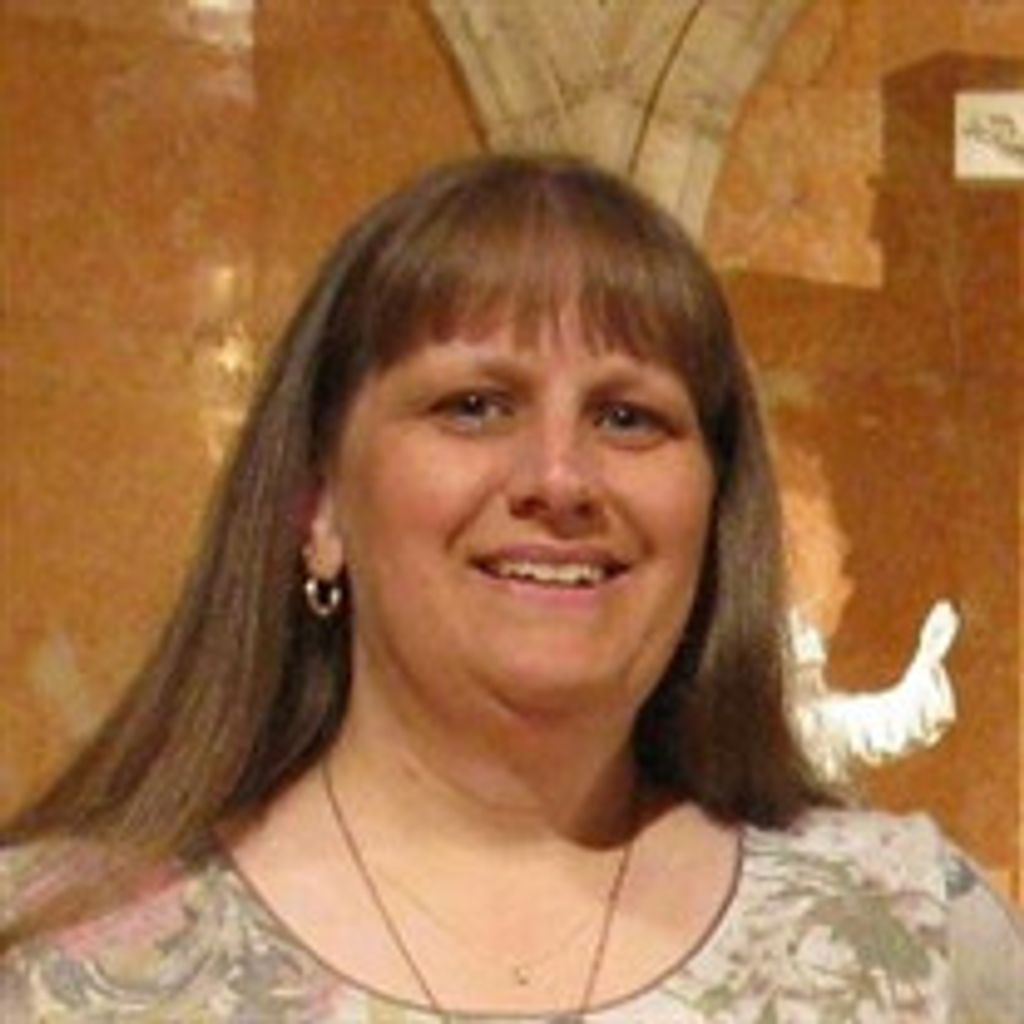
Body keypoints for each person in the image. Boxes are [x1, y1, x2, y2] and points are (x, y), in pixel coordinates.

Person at [0, 154, 1019, 1022]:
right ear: (318, 506)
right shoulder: (56, 962)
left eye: (627, 417)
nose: (559, 479)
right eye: (475, 405)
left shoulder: (915, 942)